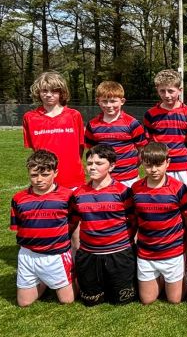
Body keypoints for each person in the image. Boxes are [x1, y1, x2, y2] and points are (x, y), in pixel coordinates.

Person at [70, 144, 136, 305]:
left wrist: (125, 246)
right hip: (89, 255)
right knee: (91, 301)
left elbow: (134, 222)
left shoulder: (123, 192)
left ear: (112, 166)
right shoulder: (77, 194)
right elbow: (74, 225)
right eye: (90, 163)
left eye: (99, 163)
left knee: (122, 300)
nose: (92, 167)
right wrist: (77, 252)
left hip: (119, 253)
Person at [10, 150, 75, 306]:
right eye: (34, 175)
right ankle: (44, 280)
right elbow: (18, 227)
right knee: (24, 303)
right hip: (28, 255)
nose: (39, 180)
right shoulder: (18, 198)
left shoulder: (67, 196)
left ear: (55, 172)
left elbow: (74, 223)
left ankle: (71, 275)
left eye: (45, 174)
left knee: (67, 300)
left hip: (55, 255)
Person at [132, 142, 187, 304]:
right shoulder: (136, 189)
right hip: (146, 254)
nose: (154, 170)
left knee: (174, 300)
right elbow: (135, 220)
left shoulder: (178, 188)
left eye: (159, 164)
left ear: (168, 163)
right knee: (147, 300)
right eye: (149, 165)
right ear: (142, 163)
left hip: (173, 252)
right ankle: (160, 279)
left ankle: (178, 278)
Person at [22, 71, 85, 189]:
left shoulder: (74, 115)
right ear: (38, 92)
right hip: (45, 180)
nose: (49, 95)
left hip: (73, 179)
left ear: (61, 93)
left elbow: (80, 147)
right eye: (44, 91)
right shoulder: (29, 117)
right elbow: (35, 150)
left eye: (54, 91)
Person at [85, 81, 147, 187]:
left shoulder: (132, 123)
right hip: (103, 178)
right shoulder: (92, 125)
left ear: (122, 101)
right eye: (104, 101)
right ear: (98, 101)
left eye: (113, 101)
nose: (109, 105)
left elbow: (142, 150)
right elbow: (92, 152)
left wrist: (132, 167)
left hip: (128, 178)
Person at [143, 69, 187, 187]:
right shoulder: (150, 114)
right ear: (157, 91)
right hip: (158, 166)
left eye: (171, 91)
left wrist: (184, 156)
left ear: (180, 90)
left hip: (182, 166)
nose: (167, 95)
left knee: (183, 200)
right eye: (162, 91)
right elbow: (148, 143)